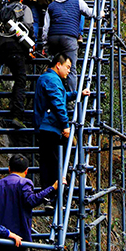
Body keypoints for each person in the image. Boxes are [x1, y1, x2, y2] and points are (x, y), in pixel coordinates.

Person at [34, 54, 90, 188]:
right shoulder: (53, 80)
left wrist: (79, 94)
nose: (69, 70)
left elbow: (62, 96)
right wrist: (65, 125)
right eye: (67, 67)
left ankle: (49, 195)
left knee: (49, 161)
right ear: (58, 65)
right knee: (53, 162)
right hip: (50, 127)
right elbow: (58, 103)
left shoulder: (48, 78)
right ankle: (53, 195)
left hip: (45, 125)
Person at [42, 0, 103, 92]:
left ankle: (53, 94)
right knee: (71, 68)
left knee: (55, 67)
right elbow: (90, 13)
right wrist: (101, 13)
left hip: (53, 38)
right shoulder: (77, 1)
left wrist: (45, 45)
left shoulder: (51, 5)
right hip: (69, 38)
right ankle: (71, 100)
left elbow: (46, 28)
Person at [0, 0, 35, 129]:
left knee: (17, 76)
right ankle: (17, 115)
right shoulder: (24, 9)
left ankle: (13, 109)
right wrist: (31, 45)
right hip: (17, 47)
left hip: (3, 48)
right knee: (20, 80)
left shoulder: (2, 11)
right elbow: (29, 28)